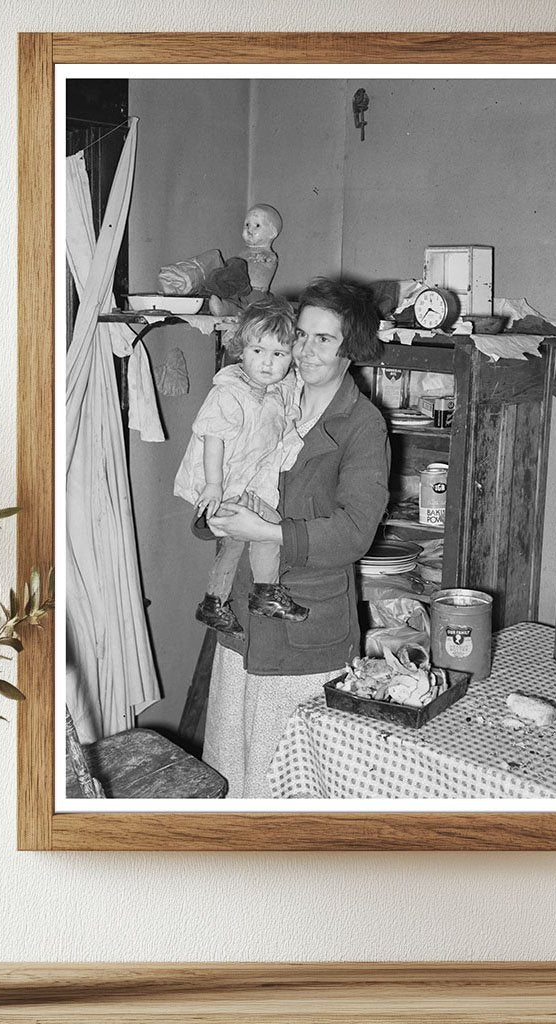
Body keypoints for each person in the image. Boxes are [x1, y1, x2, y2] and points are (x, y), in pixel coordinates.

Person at [204, 278, 390, 797]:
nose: (305, 351)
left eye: (324, 339)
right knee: (228, 770)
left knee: (283, 786)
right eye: (301, 336)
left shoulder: (362, 426)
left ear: (351, 348)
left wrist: (267, 531)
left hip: (303, 634)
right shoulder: (261, 396)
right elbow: (211, 473)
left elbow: (354, 533)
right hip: (241, 622)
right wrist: (211, 516)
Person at [173, 295, 308, 638]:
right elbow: (212, 438)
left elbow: (293, 394)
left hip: (245, 482)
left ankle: (213, 602)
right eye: (257, 351)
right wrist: (214, 485)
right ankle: (265, 593)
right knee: (267, 528)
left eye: (279, 354)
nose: (266, 363)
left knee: (233, 543)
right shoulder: (230, 392)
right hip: (225, 483)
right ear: (241, 349)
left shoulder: (276, 388)